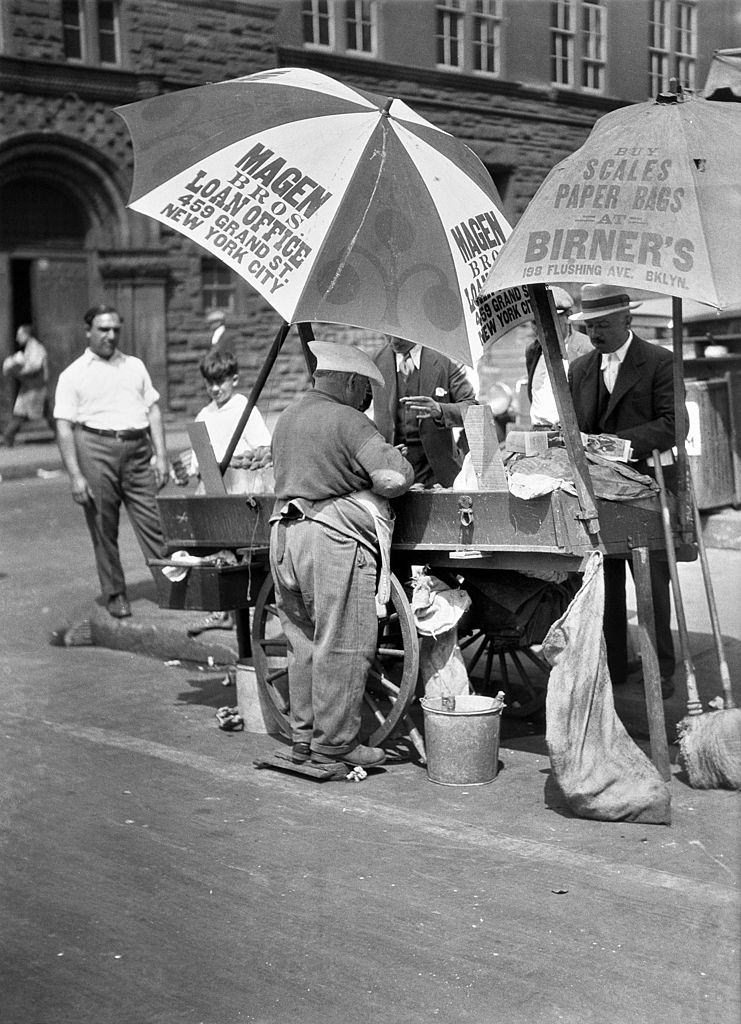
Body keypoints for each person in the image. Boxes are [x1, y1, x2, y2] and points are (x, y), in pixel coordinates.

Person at [270, 341, 414, 768]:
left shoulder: (287, 417)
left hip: (285, 537)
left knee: (302, 642)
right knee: (343, 640)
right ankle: (336, 744)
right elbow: (389, 479)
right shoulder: (349, 421)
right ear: (351, 382)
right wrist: (396, 466)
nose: (366, 398)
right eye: (364, 388)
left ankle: (303, 737)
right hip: (330, 540)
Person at [567, 283, 681, 698]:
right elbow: (575, 426)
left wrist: (624, 444)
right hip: (598, 490)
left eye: (603, 325)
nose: (596, 334)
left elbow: (674, 425)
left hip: (646, 487)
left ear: (627, 320)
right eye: (590, 326)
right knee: (605, 582)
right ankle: (613, 666)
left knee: (650, 583)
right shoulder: (579, 368)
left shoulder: (659, 362)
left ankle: (661, 669)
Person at [54, 305, 167, 619]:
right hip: (95, 447)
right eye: (103, 329)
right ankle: (115, 593)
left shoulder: (134, 366)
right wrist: (75, 475)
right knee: (104, 526)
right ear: (88, 331)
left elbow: (153, 410)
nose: (110, 335)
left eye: (115, 329)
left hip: (137, 449)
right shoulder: (73, 374)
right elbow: (63, 426)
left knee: (154, 521)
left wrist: (161, 455)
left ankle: (172, 586)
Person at [178, 348, 272, 636]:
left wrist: (237, 460)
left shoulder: (245, 408)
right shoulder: (204, 414)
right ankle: (224, 610)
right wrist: (199, 466)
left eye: (221, 382)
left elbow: (264, 449)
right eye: (210, 383)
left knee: (247, 548)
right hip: (214, 487)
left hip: (242, 486)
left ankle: (255, 604)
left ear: (234, 379)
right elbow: (197, 461)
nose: (215, 389)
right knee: (220, 549)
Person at [371, 335, 477, 487]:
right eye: (388, 334)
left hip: (438, 470)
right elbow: (356, 403)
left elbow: (473, 409)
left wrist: (441, 410)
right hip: (391, 471)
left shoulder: (447, 360)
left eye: (399, 336)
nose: (393, 341)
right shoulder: (375, 360)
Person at [525, 287, 592, 428]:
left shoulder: (588, 350)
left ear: (568, 317)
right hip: (538, 432)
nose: (540, 327)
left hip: (572, 434)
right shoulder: (533, 350)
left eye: (547, 319)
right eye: (534, 322)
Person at [1, 324, 56, 446]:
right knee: (44, 413)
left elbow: (34, 366)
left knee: (21, 413)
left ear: (27, 335)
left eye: (20, 335)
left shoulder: (36, 348)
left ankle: (8, 437)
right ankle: (8, 438)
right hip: (31, 386)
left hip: (35, 387)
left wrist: (16, 366)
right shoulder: (29, 348)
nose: (17, 338)